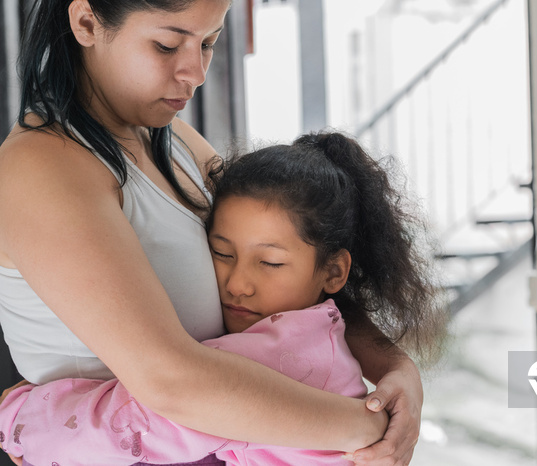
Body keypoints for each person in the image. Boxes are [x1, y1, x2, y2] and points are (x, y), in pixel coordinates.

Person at [0, 1, 428, 465]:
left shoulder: (176, 142)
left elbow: (301, 282)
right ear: (86, 21)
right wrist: (367, 428)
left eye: (207, 43)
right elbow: (171, 381)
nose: (195, 72)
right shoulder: (43, 168)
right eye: (166, 44)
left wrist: (395, 368)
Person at [0, 132, 446, 466]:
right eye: (220, 252)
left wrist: (22, 420)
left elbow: (143, 422)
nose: (238, 284)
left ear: (334, 272)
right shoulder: (311, 334)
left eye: (269, 264)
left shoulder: (273, 350)